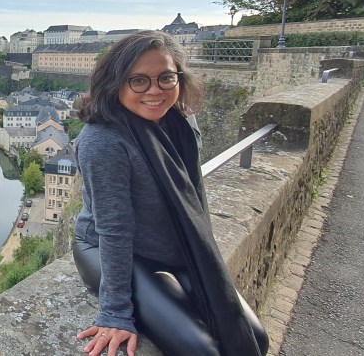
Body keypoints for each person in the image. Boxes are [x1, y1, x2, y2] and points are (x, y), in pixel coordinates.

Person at [72, 31, 268, 356]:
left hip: (173, 245)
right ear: (116, 82)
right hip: (109, 249)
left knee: (254, 339)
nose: (155, 90)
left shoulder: (181, 122)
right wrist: (115, 312)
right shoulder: (102, 141)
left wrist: (202, 256)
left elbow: (193, 195)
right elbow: (115, 229)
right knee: (200, 350)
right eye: (139, 81)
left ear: (179, 77)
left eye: (166, 77)